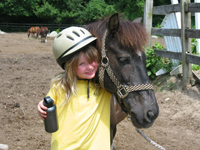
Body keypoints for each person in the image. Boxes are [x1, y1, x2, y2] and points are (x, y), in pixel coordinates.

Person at [37, 26, 112, 150]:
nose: (90, 67)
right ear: (70, 67)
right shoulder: (60, 85)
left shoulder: (103, 87)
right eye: (82, 64)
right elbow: (48, 102)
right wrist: (41, 106)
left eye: (93, 60)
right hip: (65, 147)